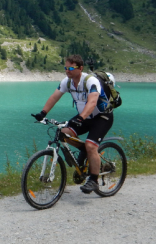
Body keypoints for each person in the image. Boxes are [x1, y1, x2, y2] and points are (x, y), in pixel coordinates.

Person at [31, 54, 114, 193]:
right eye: (65, 67)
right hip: (84, 117)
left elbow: (93, 102)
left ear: (80, 68)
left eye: (70, 68)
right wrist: (43, 113)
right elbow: (54, 96)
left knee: (91, 146)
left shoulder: (91, 81)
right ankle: (84, 153)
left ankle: (93, 180)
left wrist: (81, 117)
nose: (67, 70)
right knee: (63, 133)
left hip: (102, 117)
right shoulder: (67, 82)